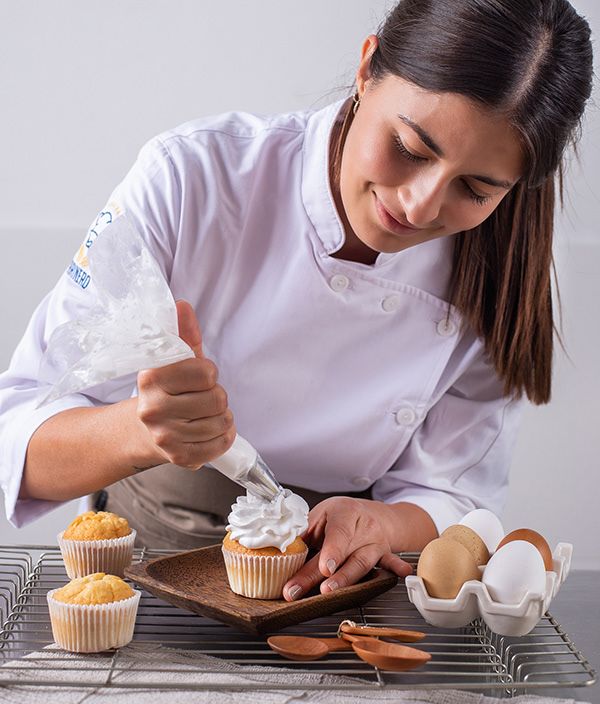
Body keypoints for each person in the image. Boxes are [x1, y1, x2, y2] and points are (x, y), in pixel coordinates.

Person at [0, 0, 593, 603]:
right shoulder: (193, 178)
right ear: (367, 69)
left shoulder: (505, 268)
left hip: (342, 597)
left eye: (474, 189)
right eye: (411, 147)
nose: (419, 206)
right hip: (146, 582)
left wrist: (384, 524)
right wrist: (140, 431)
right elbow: (17, 435)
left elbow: (457, 495)